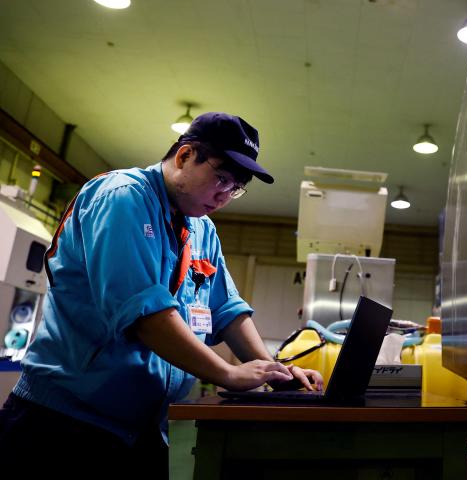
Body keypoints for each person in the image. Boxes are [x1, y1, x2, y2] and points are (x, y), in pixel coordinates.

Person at [0, 112, 321, 476]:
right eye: (221, 177)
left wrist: (273, 373)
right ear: (185, 156)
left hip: (143, 429)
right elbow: (145, 316)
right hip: (62, 425)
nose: (225, 195)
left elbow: (227, 310)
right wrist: (227, 374)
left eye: (236, 187)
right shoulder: (123, 197)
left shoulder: (203, 230)